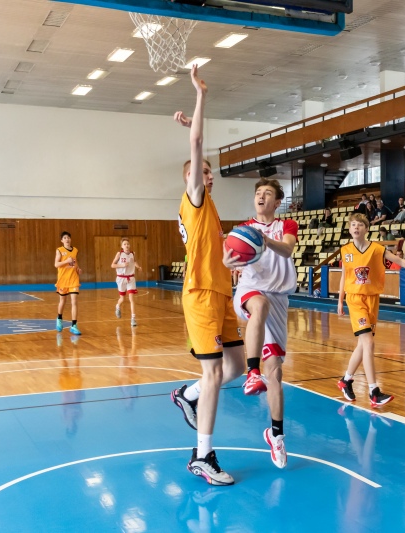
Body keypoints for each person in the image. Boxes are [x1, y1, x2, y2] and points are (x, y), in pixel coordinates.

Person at [169, 65, 246, 486]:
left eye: (211, 171)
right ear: (190, 178)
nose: (208, 175)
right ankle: (203, 457)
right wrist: (200, 95)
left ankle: (188, 394)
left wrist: (231, 264)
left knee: (236, 366)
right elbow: (196, 142)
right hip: (199, 294)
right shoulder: (194, 198)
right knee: (214, 373)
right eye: (202, 171)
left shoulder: (211, 211)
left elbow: (211, 251)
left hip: (219, 291)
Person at [233, 177, 297, 469]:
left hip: (278, 298)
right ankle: (251, 371)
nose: (261, 196)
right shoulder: (243, 229)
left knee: (276, 376)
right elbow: (231, 257)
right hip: (251, 290)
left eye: (267, 193)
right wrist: (232, 262)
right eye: (258, 192)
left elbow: (288, 250)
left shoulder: (287, 225)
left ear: (277, 201)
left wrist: (265, 240)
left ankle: (277, 435)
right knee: (258, 305)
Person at [336, 213, 405, 406]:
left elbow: (400, 261)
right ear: (349, 229)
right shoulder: (345, 250)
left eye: (360, 225)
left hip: (372, 298)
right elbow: (344, 276)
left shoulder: (376, 249)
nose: (356, 227)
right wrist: (340, 300)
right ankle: (374, 391)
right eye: (353, 225)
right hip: (355, 298)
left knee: (362, 344)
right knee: (368, 343)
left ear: (366, 229)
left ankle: (346, 380)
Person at [55, 231, 82, 335]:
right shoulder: (59, 250)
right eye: (65, 238)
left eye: (68, 237)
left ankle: (74, 325)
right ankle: (59, 318)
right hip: (63, 279)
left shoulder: (75, 250)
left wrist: (78, 269)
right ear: (62, 240)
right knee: (63, 301)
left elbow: (75, 262)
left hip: (73, 279)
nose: (67, 239)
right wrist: (66, 261)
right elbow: (56, 264)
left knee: (74, 301)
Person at [111, 237, 143, 327]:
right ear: (122, 246)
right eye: (124, 244)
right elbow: (112, 265)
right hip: (121, 278)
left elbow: (134, 261)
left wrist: (138, 267)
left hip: (131, 278)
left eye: (128, 244)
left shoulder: (133, 253)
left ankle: (133, 319)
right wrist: (122, 265)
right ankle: (118, 306)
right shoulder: (119, 254)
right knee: (122, 299)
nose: (127, 245)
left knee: (131, 299)